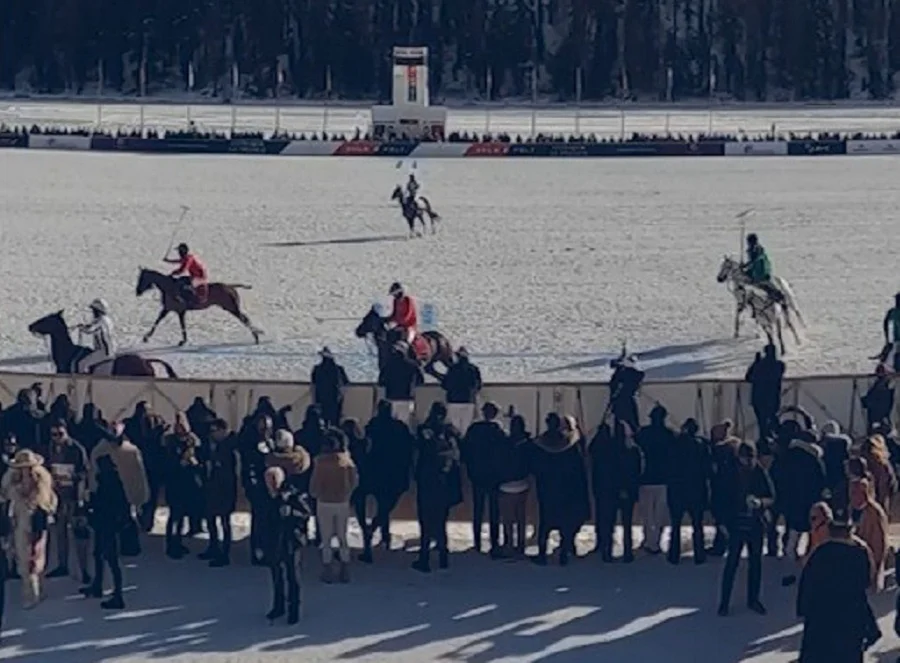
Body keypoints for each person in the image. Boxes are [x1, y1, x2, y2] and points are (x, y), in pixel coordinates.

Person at [797, 510, 881, 663]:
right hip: (849, 622)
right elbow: (865, 584)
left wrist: (804, 611)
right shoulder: (860, 552)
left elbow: (806, 587)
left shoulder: (820, 553)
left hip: (820, 622)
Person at [718, 440, 775, 617]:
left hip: (755, 523)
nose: (748, 462)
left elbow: (772, 496)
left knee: (755, 562)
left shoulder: (759, 472)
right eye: (745, 459)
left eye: (751, 458)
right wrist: (722, 522)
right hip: (735, 523)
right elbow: (721, 498)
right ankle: (724, 602)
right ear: (739, 458)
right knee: (732, 563)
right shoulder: (729, 472)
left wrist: (760, 502)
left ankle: (753, 598)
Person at [1, 450, 57, 609]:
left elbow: (52, 499)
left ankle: (38, 590)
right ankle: (31, 592)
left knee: (37, 556)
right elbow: (4, 497)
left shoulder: (42, 480)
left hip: (37, 523)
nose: (25, 470)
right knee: (24, 559)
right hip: (20, 523)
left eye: (28, 467)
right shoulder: (10, 481)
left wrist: (47, 511)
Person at [309, 429, 358, 584]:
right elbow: (355, 482)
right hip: (342, 502)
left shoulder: (320, 463)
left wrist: (315, 494)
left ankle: (327, 569)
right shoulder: (347, 462)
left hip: (324, 502)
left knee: (326, 537)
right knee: (343, 536)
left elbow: (314, 486)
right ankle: (345, 568)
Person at [745, 344, 785, 443]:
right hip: (772, 399)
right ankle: (775, 438)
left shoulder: (761, 365)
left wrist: (755, 363)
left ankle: (766, 441)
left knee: (762, 424)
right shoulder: (779, 365)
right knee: (771, 421)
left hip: (759, 399)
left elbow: (748, 377)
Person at [442, 347, 483, 433]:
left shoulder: (452, 369)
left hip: (454, 401)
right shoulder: (473, 369)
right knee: (466, 427)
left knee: (454, 427)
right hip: (468, 401)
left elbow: (445, 385)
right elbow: (478, 386)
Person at [310, 347, 350, 427]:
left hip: (321, 399)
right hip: (335, 399)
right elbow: (346, 383)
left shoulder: (317, 369)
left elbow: (313, 385)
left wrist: (314, 400)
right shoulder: (338, 369)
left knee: (322, 420)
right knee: (335, 421)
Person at [75, 299, 116, 374]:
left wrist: (81, 327)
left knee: (81, 364)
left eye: (94, 310)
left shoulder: (101, 320)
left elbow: (89, 330)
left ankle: (84, 384)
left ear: (98, 311)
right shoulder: (107, 320)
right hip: (111, 349)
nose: (93, 313)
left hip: (104, 351)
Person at [742, 233, 783, 303]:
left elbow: (754, 260)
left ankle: (778, 296)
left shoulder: (759, 249)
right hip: (754, 270)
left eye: (750, 242)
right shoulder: (750, 250)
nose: (749, 244)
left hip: (761, 271)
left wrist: (746, 265)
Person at [384, 282, 418, 346]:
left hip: (409, 326)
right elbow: (394, 314)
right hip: (399, 325)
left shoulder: (408, 300)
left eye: (395, 294)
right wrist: (387, 320)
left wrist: (397, 321)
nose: (394, 296)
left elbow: (408, 315)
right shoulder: (395, 301)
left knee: (408, 341)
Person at [880, 293, 900, 371]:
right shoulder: (892, 312)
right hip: (896, 341)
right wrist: (888, 340)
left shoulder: (892, 312)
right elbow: (886, 324)